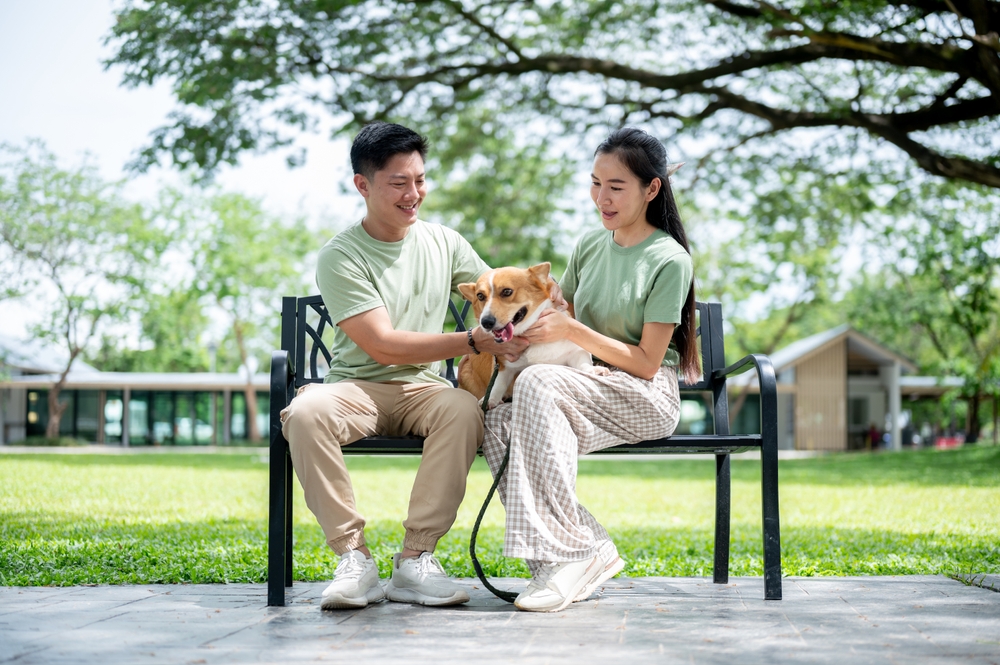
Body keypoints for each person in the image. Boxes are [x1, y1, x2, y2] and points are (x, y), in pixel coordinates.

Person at [280, 122, 526, 610]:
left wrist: (546, 299)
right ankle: (354, 560)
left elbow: (501, 292)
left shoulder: (445, 242)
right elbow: (383, 346)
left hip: (425, 390)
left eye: (420, 179)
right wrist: (471, 340)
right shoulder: (340, 255)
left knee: (462, 410)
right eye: (399, 183)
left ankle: (415, 561)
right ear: (363, 185)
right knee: (305, 414)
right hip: (356, 388)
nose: (414, 194)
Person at [481, 127, 699, 613]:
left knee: (537, 381)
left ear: (652, 188)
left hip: (645, 396)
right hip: (583, 385)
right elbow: (566, 323)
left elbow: (646, 363)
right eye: (596, 183)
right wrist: (539, 326)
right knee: (497, 422)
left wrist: (571, 330)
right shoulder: (588, 246)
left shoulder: (669, 259)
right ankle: (571, 558)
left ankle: (572, 557)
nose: (602, 198)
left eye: (616, 186)